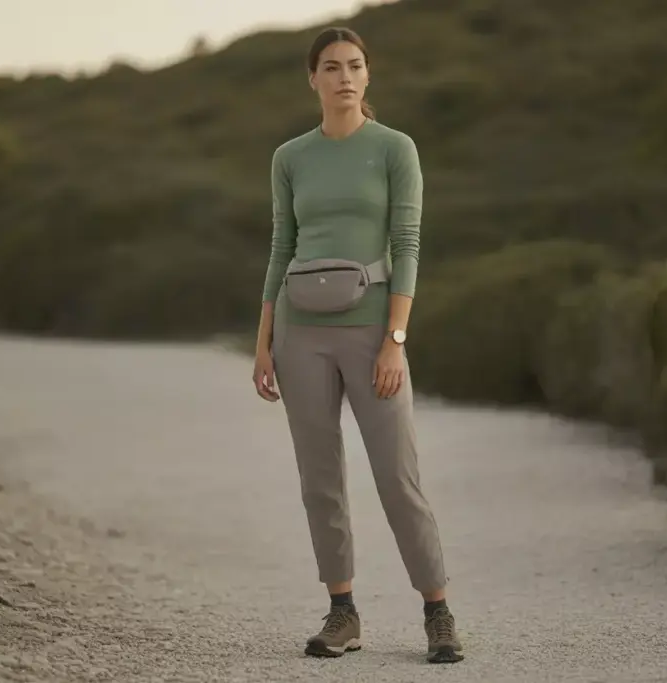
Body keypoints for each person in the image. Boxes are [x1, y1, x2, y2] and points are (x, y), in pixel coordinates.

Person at [251, 26, 464, 665]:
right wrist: (263, 343)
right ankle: (342, 613)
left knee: (398, 479)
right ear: (312, 79)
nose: (344, 76)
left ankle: (438, 613)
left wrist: (395, 340)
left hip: (374, 331)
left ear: (368, 76)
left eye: (355, 65)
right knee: (321, 479)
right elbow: (280, 249)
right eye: (331, 67)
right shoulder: (290, 157)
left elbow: (407, 245)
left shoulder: (395, 149)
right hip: (299, 333)